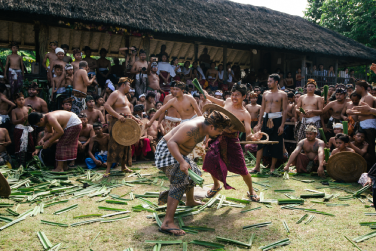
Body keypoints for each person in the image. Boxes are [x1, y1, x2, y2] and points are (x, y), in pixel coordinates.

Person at [155, 110, 231, 236]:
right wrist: (182, 162)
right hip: (167, 152)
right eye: (219, 131)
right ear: (212, 127)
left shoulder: (206, 124)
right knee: (180, 179)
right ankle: (167, 222)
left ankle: (189, 200)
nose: (220, 134)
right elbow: (171, 142)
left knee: (194, 173)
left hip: (179, 153)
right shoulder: (192, 127)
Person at [103, 77, 141, 177]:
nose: (130, 87)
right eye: (129, 85)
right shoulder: (115, 93)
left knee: (126, 143)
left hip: (127, 122)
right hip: (117, 121)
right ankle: (108, 170)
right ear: (123, 85)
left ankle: (123, 166)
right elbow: (107, 106)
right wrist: (118, 116)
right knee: (113, 144)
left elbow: (127, 110)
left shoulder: (125, 96)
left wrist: (134, 118)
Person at [251, 74, 288, 173]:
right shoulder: (265, 93)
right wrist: (259, 123)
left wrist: (282, 125)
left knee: (276, 143)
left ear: (276, 82)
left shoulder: (283, 94)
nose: (268, 83)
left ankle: (272, 167)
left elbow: (284, 110)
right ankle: (257, 167)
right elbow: (262, 108)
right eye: (268, 81)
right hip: (266, 119)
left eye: (270, 81)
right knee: (261, 143)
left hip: (277, 119)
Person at [347, 80, 376, 170]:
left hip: (369, 124)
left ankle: (371, 169)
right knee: (363, 145)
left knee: (369, 147)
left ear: (362, 88)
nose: (355, 89)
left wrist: (353, 112)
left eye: (356, 87)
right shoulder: (363, 97)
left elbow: (368, 111)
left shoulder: (368, 97)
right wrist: (354, 111)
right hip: (363, 124)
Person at [12, 93, 34, 167]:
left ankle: (30, 162)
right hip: (19, 129)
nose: (21, 101)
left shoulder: (28, 108)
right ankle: (20, 162)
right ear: (15, 101)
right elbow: (14, 121)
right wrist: (22, 119)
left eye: (22, 99)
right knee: (20, 146)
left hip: (28, 129)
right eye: (19, 100)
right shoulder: (14, 111)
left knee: (30, 144)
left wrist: (32, 114)